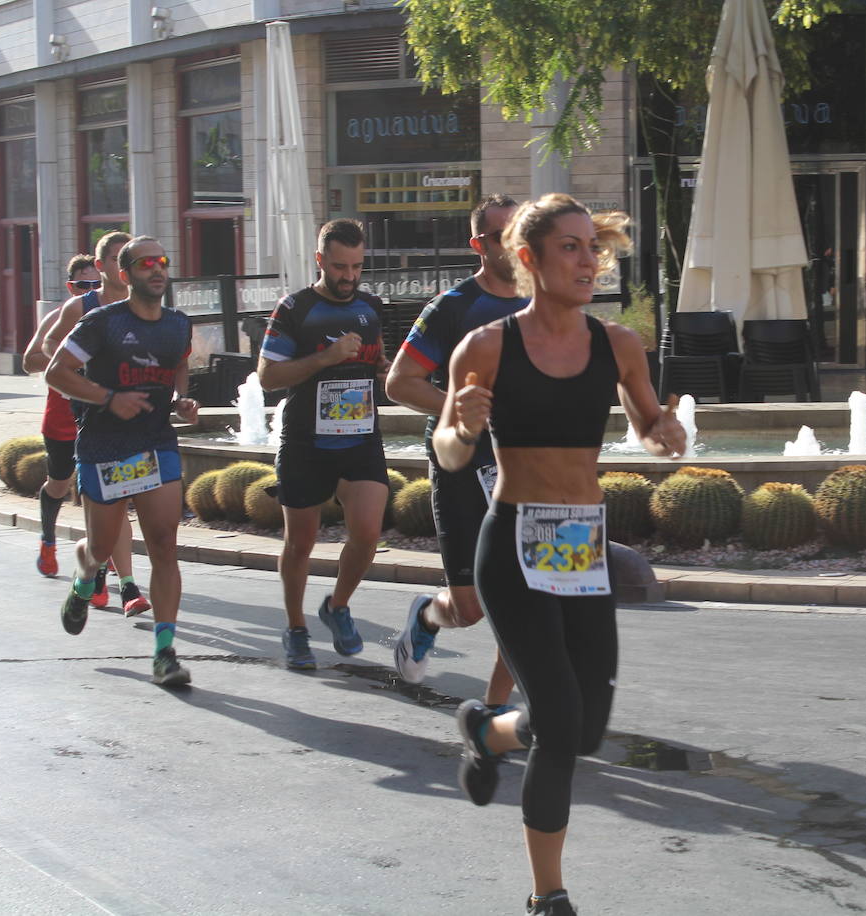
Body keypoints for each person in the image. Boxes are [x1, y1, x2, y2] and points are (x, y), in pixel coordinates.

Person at [434, 194, 686, 916]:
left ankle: (485, 728)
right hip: (513, 544)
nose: (587, 260)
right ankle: (550, 894)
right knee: (557, 712)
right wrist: (463, 425)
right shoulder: (485, 347)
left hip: (580, 547)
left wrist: (666, 434)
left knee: (584, 728)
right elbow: (449, 455)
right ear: (529, 259)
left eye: (591, 247)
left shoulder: (617, 344)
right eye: (570, 248)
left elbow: (647, 426)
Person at [384, 194, 521, 707]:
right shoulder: (454, 307)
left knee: (529, 592)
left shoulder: (546, 304)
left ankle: (498, 708)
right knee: (469, 609)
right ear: (477, 245)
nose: (511, 243)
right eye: (498, 235)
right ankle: (426, 616)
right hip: (463, 465)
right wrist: (461, 410)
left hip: (524, 469)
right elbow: (400, 382)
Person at [45, 237, 198, 686]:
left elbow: (179, 367)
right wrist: (109, 398)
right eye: (146, 263)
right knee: (100, 548)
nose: (157, 269)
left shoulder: (177, 325)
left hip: (156, 443)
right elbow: (56, 372)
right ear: (126, 274)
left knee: (164, 546)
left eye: (162, 261)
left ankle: (164, 652)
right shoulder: (101, 323)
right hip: (105, 448)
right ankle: (84, 576)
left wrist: (183, 401)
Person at [256, 218, 391, 670]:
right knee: (301, 543)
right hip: (305, 440)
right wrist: (325, 358)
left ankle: (336, 605)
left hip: (360, 435)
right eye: (339, 266)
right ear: (320, 261)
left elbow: (377, 362)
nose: (349, 276)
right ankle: (295, 628)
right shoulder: (294, 308)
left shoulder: (370, 306)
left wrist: (386, 373)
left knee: (368, 533)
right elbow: (268, 376)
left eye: (356, 266)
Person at [23, 246, 149, 617]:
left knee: (105, 498)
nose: (89, 288)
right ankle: (49, 541)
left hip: (106, 418)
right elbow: (32, 359)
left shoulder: (128, 311)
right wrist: (75, 363)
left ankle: (115, 580)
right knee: (60, 484)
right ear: (72, 285)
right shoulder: (67, 314)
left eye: (92, 283)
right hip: (64, 415)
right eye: (83, 284)